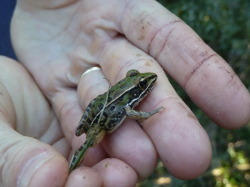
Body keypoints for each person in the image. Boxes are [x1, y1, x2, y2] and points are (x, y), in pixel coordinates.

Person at [0, 0, 249, 186]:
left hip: (99, 102)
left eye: (139, 83)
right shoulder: (130, 104)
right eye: (139, 85)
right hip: (102, 123)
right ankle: (72, 164)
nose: (144, 84)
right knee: (89, 143)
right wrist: (150, 113)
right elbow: (130, 111)